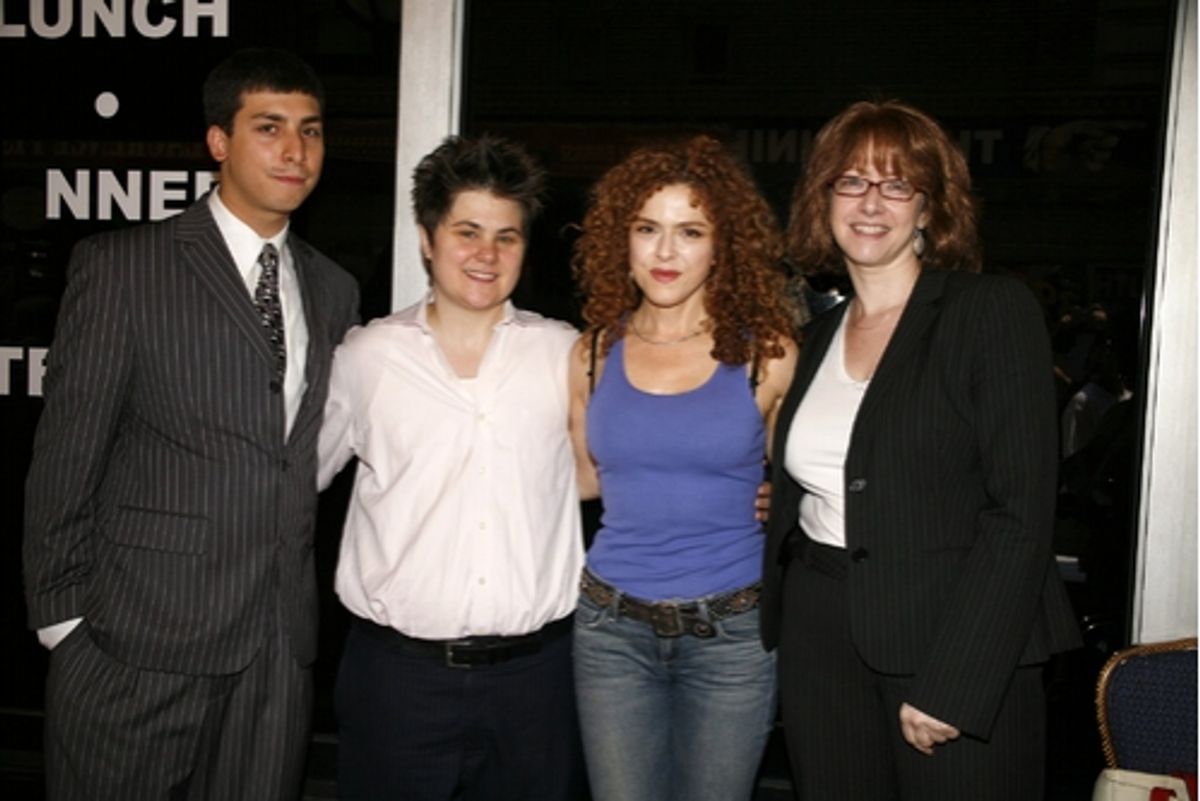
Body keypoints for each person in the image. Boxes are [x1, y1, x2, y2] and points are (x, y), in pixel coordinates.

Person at [23, 48, 359, 800]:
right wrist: (63, 623)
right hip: (133, 643)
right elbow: (67, 454)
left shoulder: (333, 288)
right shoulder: (124, 268)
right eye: (268, 127)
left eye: (310, 130)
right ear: (218, 142)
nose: (295, 150)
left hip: (275, 654)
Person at [760, 99, 1081, 800]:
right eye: (851, 181)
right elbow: (838, 474)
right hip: (821, 638)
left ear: (930, 208)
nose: (871, 202)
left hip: (952, 639)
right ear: (823, 200)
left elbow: (1022, 512)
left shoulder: (988, 312)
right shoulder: (816, 338)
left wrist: (956, 681)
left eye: (898, 184)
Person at [318, 135, 585, 801]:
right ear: (426, 239)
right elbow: (288, 482)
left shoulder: (566, 355)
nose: (486, 255)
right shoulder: (366, 358)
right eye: (467, 232)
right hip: (397, 683)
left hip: (537, 685)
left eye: (506, 236)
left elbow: (623, 473)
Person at [567, 134, 799, 801]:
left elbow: (808, 485)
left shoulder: (769, 356)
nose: (665, 252)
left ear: (723, 245)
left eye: (690, 231)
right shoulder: (590, 353)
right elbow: (581, 480)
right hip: (610, 631)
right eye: (647, 229)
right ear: (622, 239)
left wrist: (779, 498)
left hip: (731, 636)